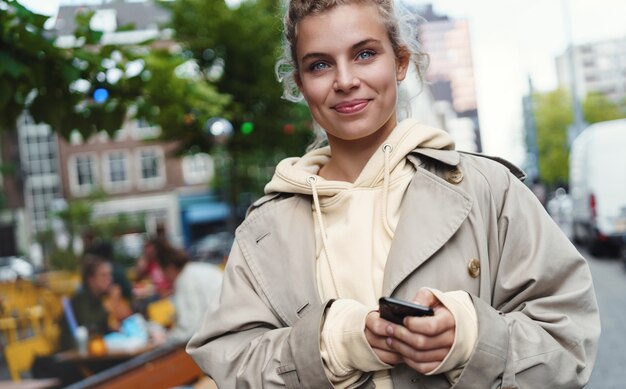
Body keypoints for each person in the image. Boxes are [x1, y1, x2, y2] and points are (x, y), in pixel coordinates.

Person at [187, 1, 600, 387]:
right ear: (300, 83)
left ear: (401, 62)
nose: (346, 81)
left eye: (365, 54)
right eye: (320, 65)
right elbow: (231, 359)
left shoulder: (490, 189)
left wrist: (471, 338)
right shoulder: (264, 230)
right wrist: (335, 343)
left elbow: (569, 337)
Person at [152, 240, 222, 344]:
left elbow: (188, 329)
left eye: (163, 272)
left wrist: (166, 339)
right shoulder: (199, 269)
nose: (164, 277)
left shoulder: (184, 280)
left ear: (170, 269)